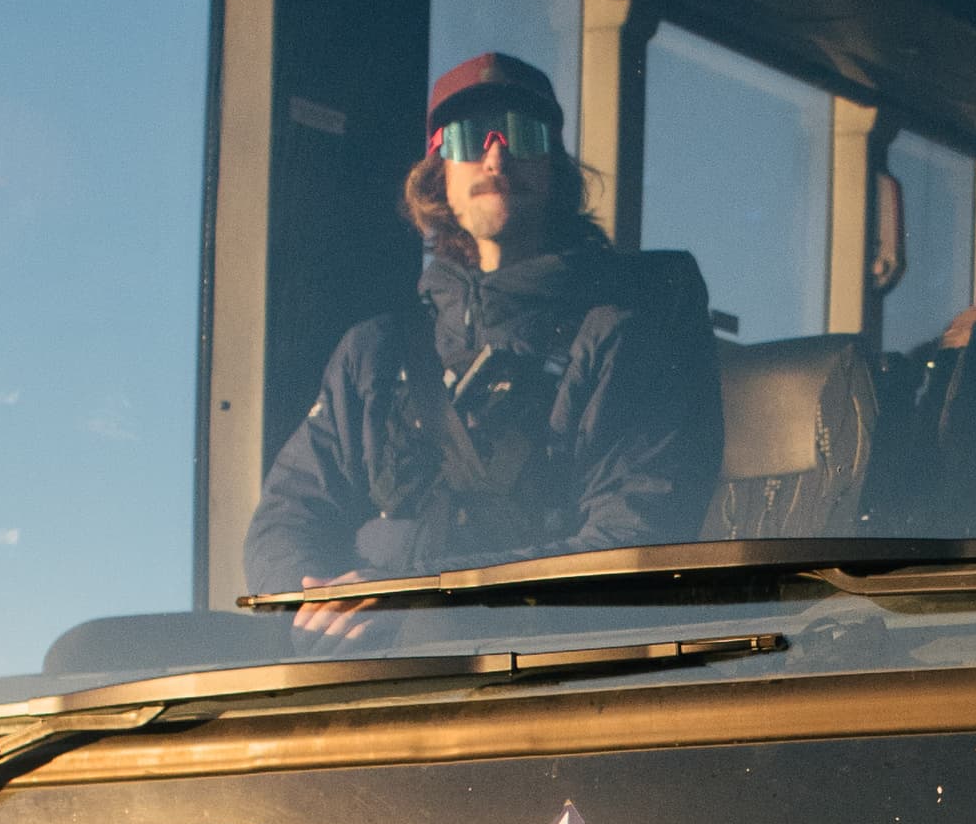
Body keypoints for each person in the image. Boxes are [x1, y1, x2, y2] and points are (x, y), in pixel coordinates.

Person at [244, 50, 726, 617]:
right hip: (368, 655)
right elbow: (284, 520)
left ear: (553, 168)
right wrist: (315, 604)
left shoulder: (621, 334)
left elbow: (631, 538)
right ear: (439, 174)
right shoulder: (373, 353)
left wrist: (418, 600)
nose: (497, 155)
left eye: (523, 134)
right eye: (470, 137)